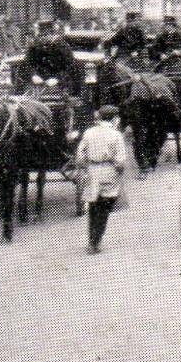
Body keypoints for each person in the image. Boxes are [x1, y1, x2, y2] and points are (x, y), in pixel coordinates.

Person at [73, 104, 131, 253]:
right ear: (114, 119)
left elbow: (80, 156)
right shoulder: (116, 135)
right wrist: (118, 171)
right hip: (109, 172)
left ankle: (91, 240)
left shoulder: (89, 132)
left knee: (93, 207)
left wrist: (86, 167)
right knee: (104, 209)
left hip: (92, 172)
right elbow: (120, 162)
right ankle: (96, 241)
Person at [24, 20, 80, 94]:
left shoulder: (62, 45)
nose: (44, 38)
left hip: (61, 86)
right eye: (42, 35)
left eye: (46, 35)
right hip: (38, 85)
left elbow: (70, 65)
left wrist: (58, 79)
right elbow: (28, 64)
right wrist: (34, 75)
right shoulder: (34, 45)